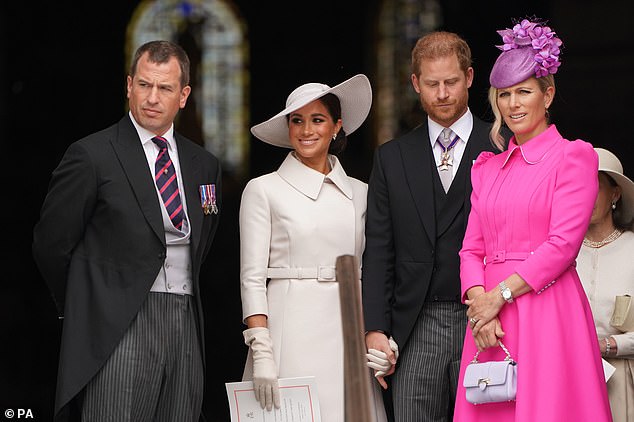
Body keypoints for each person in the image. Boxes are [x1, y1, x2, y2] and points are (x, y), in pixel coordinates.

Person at [32, 40, 222, 421]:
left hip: (186, 320)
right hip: (118, 321)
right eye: (144, 85)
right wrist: (90, 303)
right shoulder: (92, 155)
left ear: (183, 95)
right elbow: (51, 244)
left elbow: (207, 235)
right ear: (129, 85)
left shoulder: (204, 164)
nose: (152, 97)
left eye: (165, 88)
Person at [453, 18, 612, 421]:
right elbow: (471, 249)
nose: (514, 104)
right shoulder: (487, 168)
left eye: (524, 92)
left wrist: (498, 298)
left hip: (547, 308)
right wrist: (479, 308)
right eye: (504, 95)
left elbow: (561, 246)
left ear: (548, 94)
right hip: (490, 316)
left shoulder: (574, 157)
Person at [361, 31, 498, 421]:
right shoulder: (392, 158)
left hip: (487, 318)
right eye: (432, 84)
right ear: (415, 84)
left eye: (451, 82)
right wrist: (375, 327)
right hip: (415, 322)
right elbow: (379, 250)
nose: (442, 94)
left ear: (470, 78)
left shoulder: (503, 146)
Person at [239, 74, 387, 421]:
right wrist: (261, 349)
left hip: (348, 328)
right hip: (289, 331)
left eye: (317, 119)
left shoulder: (361, 192)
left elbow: (378, 270)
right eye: (297, 120)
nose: (307, 130)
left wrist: (379, 333)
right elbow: (251, 277)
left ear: (337, 126)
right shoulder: (263, 190)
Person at [577, 147, 634, 422]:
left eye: (595, 187)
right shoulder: (561, 254)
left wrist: (607, 345)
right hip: (570, 376)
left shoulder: (632, 249)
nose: (584, 195)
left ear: (615, 194)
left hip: (623, 381)